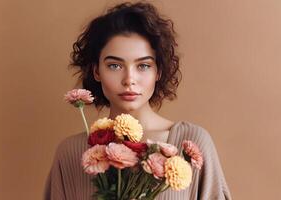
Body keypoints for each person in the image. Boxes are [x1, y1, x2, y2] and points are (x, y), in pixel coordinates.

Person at [44, 1, 231, 200]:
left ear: (158, 71)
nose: (129, 80)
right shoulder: (71, 153)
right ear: (96, 70)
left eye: (143, 66)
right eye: (115, 66)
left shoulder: (192, 144)